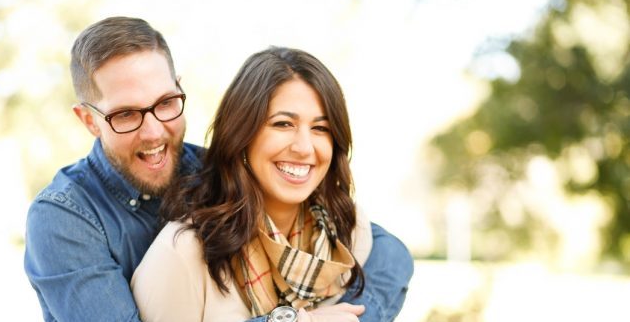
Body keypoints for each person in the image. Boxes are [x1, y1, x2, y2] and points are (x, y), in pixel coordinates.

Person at [24, 16, 412, 322]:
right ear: (89, 120)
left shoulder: (217, 169)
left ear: (179, 88)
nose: (154, 131)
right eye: (126, 114)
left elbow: (390, 254)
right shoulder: (64, 217)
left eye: (165, 103)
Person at [131, 46, 413, 322]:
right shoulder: (182, 255)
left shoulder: (348, 231)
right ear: (242, 134)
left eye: (320, 128)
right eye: (283, 124)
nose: (304, 147)